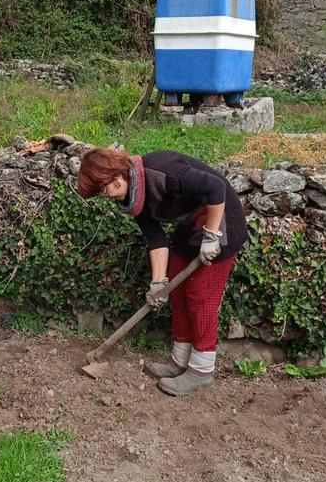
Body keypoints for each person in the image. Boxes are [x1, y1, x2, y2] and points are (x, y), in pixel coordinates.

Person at [76, 148, 248, 396]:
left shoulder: (164, 171)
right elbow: (156, 239)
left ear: (116, 177)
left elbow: (216, 188)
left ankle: (201, 372)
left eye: (103, 191)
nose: (105, 197)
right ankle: (180, 362)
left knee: (200, 298)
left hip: (221, 220)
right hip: (190, 225)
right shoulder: (131, 198)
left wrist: (212, 235)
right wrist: (158, 283)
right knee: (176, 294)